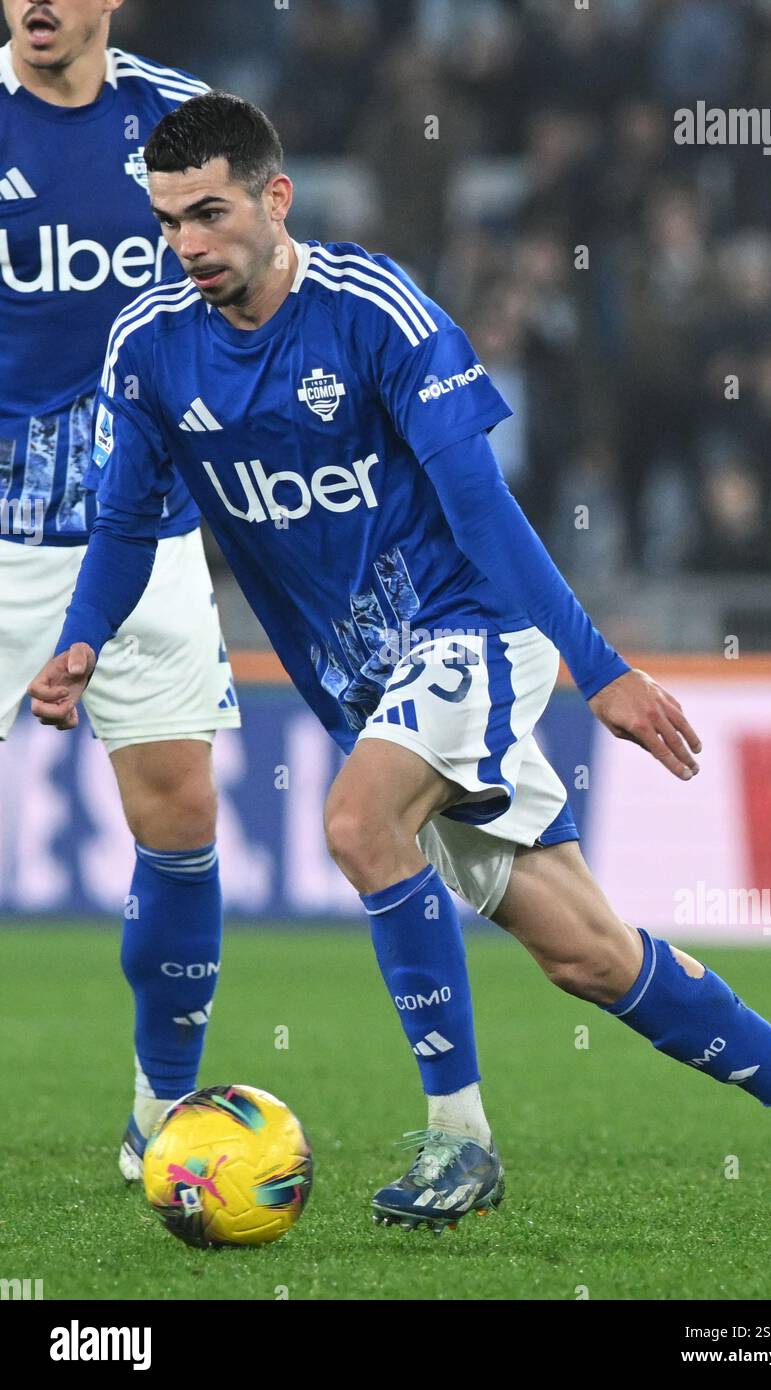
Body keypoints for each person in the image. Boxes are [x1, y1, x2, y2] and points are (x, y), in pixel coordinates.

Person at [30, 92, 771, 1237]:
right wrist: (80, 641)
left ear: (276, 198)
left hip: (471, 626)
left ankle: (457, 1138)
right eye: (169, 220)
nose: (189, 246)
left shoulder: (371, 311)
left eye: (211, 214)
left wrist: (598, 667)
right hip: (367, 679)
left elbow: (482, 508)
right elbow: (128, 524)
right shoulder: (153, 346)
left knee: (356, 823)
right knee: (583, 951)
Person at [0, 0, 240, 1179]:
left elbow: (243, 295)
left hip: (139, 524)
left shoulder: (176, 121)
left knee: (181, 814)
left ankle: (163, 1106)